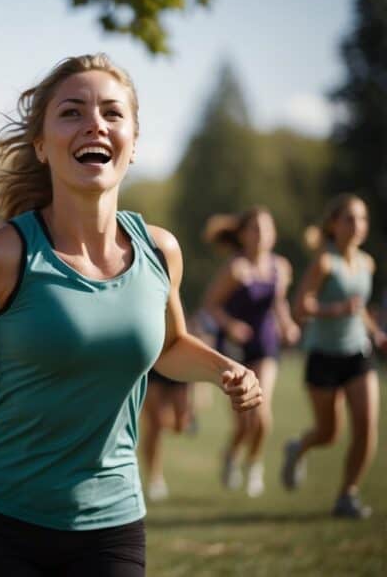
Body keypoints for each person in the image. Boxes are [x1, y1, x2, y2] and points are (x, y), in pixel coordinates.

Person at [0, 53, 263, 576]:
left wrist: (225, 369)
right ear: (41, 145)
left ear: (133, 143)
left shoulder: (160, 251)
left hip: (112, 526)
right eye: (72, 112)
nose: (95, 123)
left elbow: (169, 345)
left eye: (113, 113)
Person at [282, 194, 385, 519]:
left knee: (367, 426)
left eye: (363, 219)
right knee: (328, 433)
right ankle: (298, 448)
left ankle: (347, 495)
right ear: (334, 225)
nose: (357, 226)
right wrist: (336, 309)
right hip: (323, 357)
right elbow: (301, 306)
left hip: (357, 353)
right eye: (350, 219)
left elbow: (360, 309)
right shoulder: (324, 262)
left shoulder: (367, 263)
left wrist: (374, 331)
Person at [202, 207, 300, 497]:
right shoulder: (235, 269)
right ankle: (231, 456)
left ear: (274, 234)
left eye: (266, 229)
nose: (261, 234)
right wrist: (231, 325)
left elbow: (279, 303)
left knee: (262, 412)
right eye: (255, 229)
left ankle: (254, 465)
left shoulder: (280, 267)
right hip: (234, 350)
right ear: (243, 235)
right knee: (244, 423)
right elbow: (211, 304)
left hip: (265, 346)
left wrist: (288, 324)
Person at [140, 369, 192, 501]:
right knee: (154, 424)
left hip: (177, 362)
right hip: (154, 367)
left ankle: (161, 422)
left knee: (182, 424)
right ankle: (154, 478)